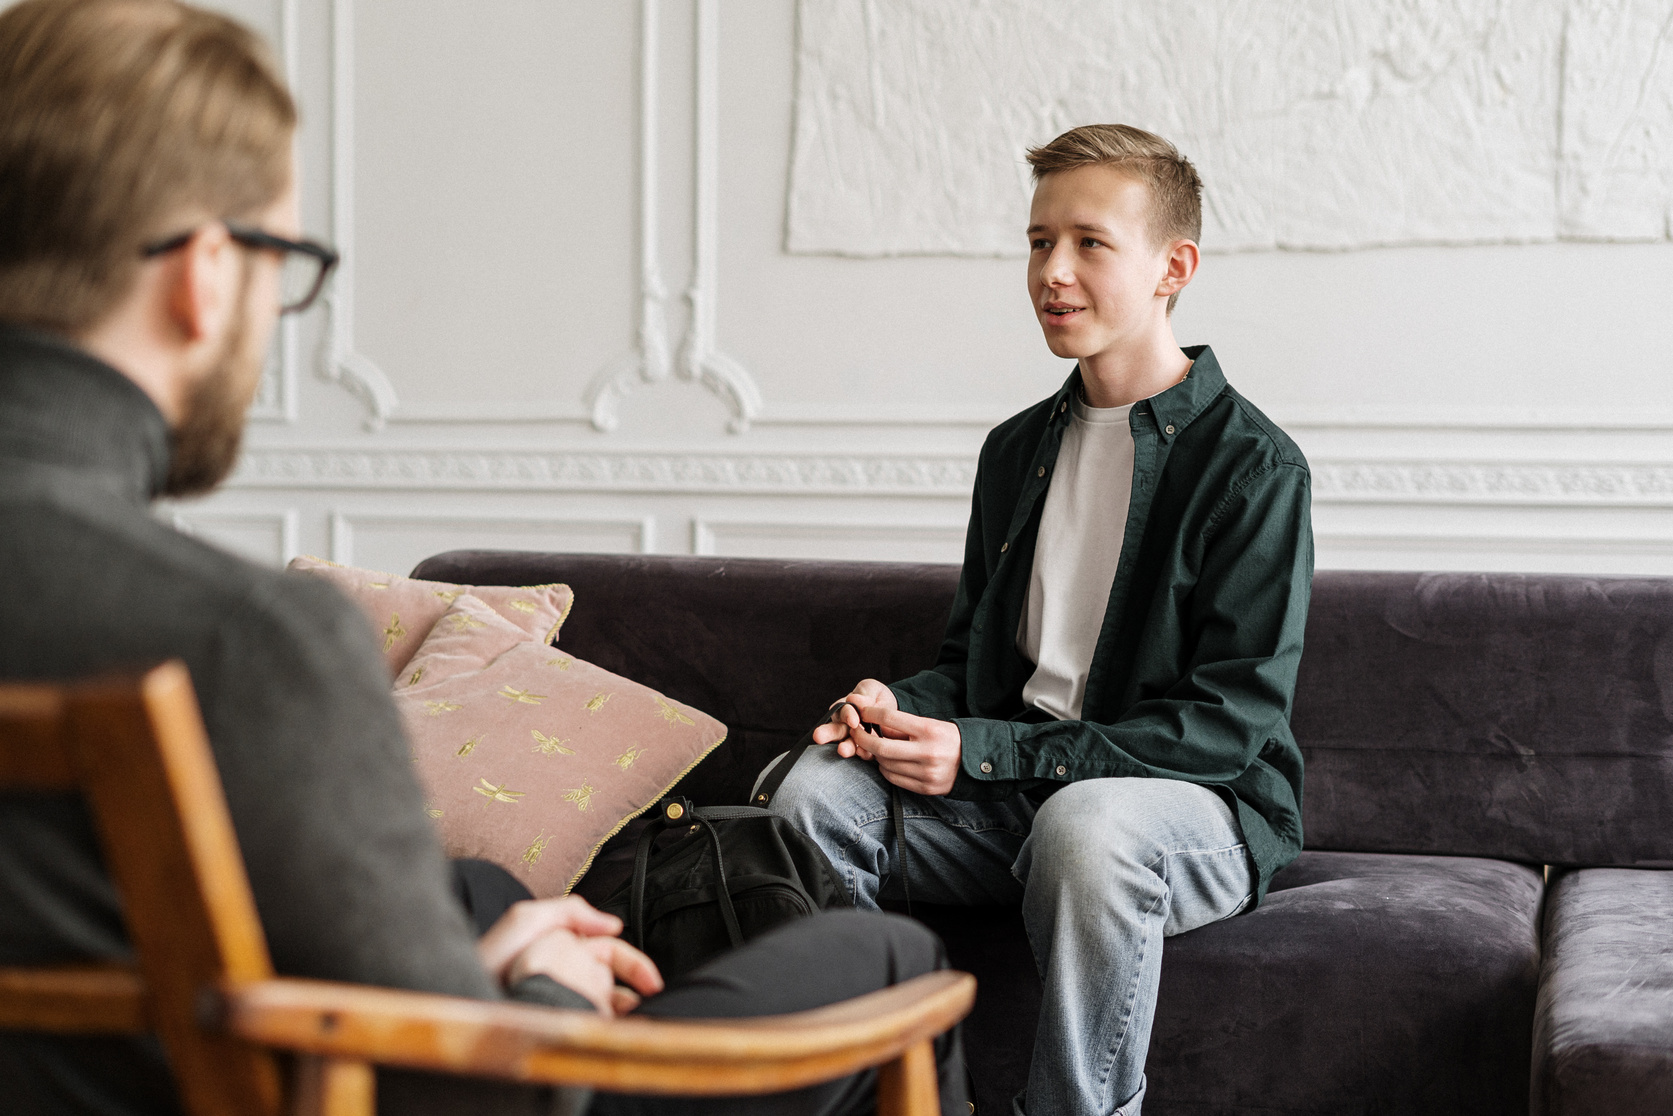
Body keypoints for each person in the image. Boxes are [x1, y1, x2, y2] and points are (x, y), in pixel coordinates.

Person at [0, 3, 965, 1115]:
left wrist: (467, 974)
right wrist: (540, 998)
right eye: (285, 265)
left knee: (471, 891)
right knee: (886, 964)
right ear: (206, 273)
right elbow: (471, 1104)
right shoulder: (249, 644)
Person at [767, 124, 1313, 1116]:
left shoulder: (1251, 467)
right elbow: (969, 664)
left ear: (1171, 267)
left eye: (1088, 243)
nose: (1051, 272)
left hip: (1184, 813)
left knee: (1084, 829)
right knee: (811, 799)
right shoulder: (1014, 450)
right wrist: (896, 705)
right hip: (1014, 800)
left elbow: (1228, 725)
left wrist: (981, 752)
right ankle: (896, 1095)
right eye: (1035, 242)